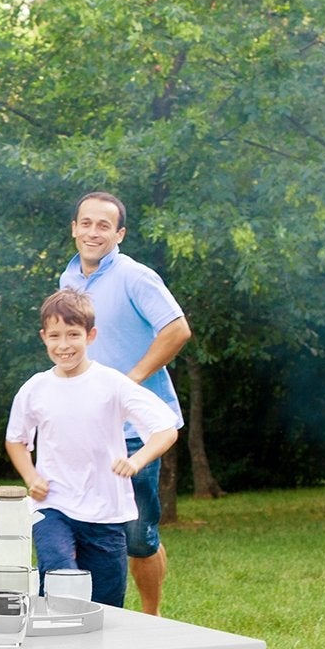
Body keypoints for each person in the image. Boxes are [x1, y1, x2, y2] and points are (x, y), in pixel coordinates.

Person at [6, 289, 179, 649]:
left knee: (103, 599)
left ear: (91, 335)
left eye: (72, 335)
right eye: (54, 336)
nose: (63, 345)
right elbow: (16, 440)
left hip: (106, 511)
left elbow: (166, 428)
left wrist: (136, 462)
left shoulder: (112, 384)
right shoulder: (35, 388)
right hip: (53, 507)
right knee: (61, 575)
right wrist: (31, 477)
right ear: (43, 338)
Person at [59, 191, 191, 615]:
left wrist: (128, 383)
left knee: (137, 535)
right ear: (74, 228)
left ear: (119, 233)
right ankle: (96, 616)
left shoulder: (136, 276)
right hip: (86, 428)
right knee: (85, 527)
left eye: (103, 225)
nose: (93, 232)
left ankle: (150, 620)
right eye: (86, 223)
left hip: (137, 431)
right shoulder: (69, 279)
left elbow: (177, 330)